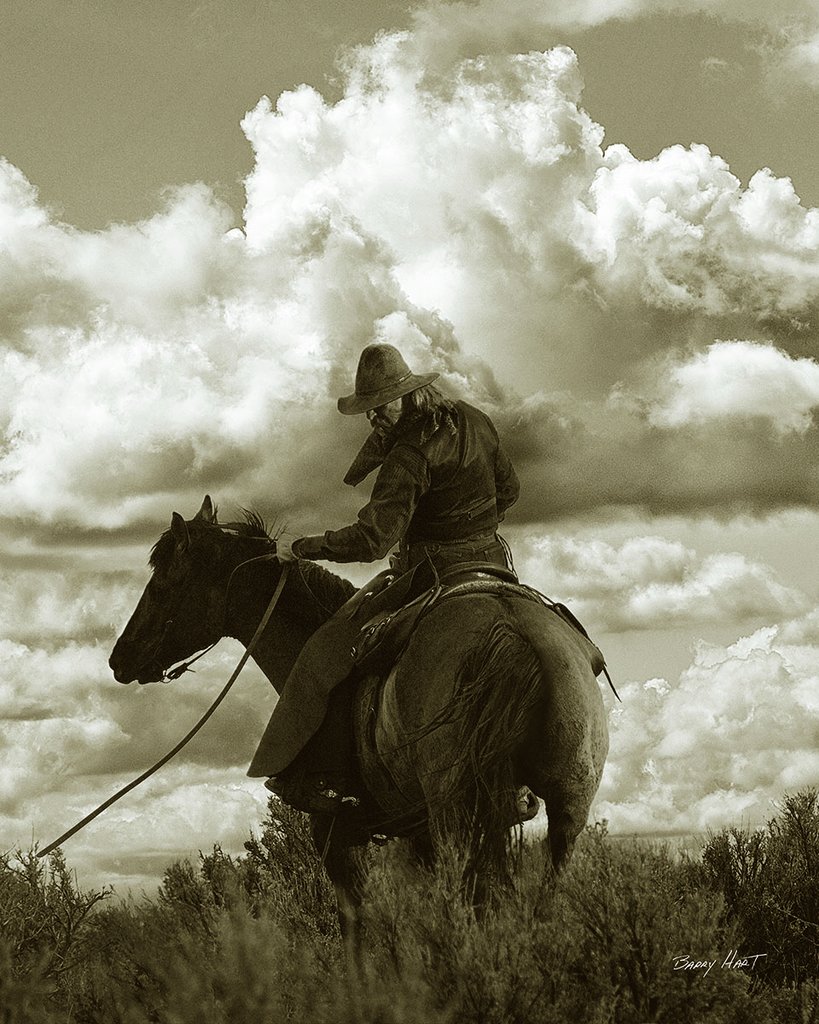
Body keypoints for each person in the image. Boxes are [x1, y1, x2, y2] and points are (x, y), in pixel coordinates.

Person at [247, 342, 520, 811]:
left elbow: (373, 540)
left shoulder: (408, 456)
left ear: (407, 394)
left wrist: (305, 547)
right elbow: (509, 491)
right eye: (368, 409)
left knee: (328, 651)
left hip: (429, 574)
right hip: (494, 563)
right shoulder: (475, 419)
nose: (373, 417)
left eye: (380, 405)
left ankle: (327, 777)